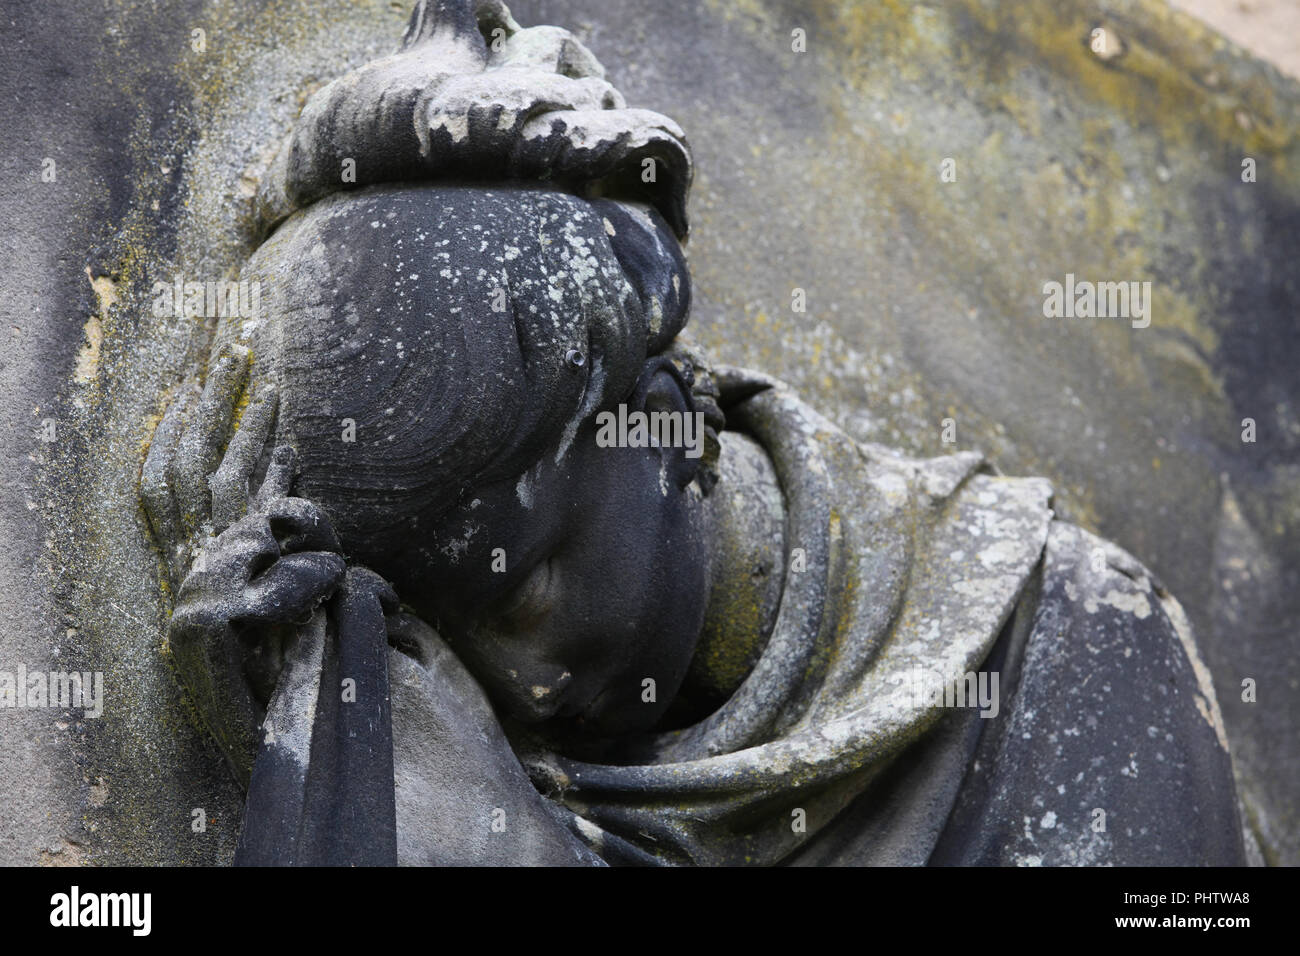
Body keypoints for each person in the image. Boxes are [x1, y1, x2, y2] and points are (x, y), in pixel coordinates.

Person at [140, 0, 1245, 866]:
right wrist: (319, 722)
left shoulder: (1066, 653)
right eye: (450, 626)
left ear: (660, 418)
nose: (514, 686)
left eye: (522, 583)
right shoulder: (497, 746)